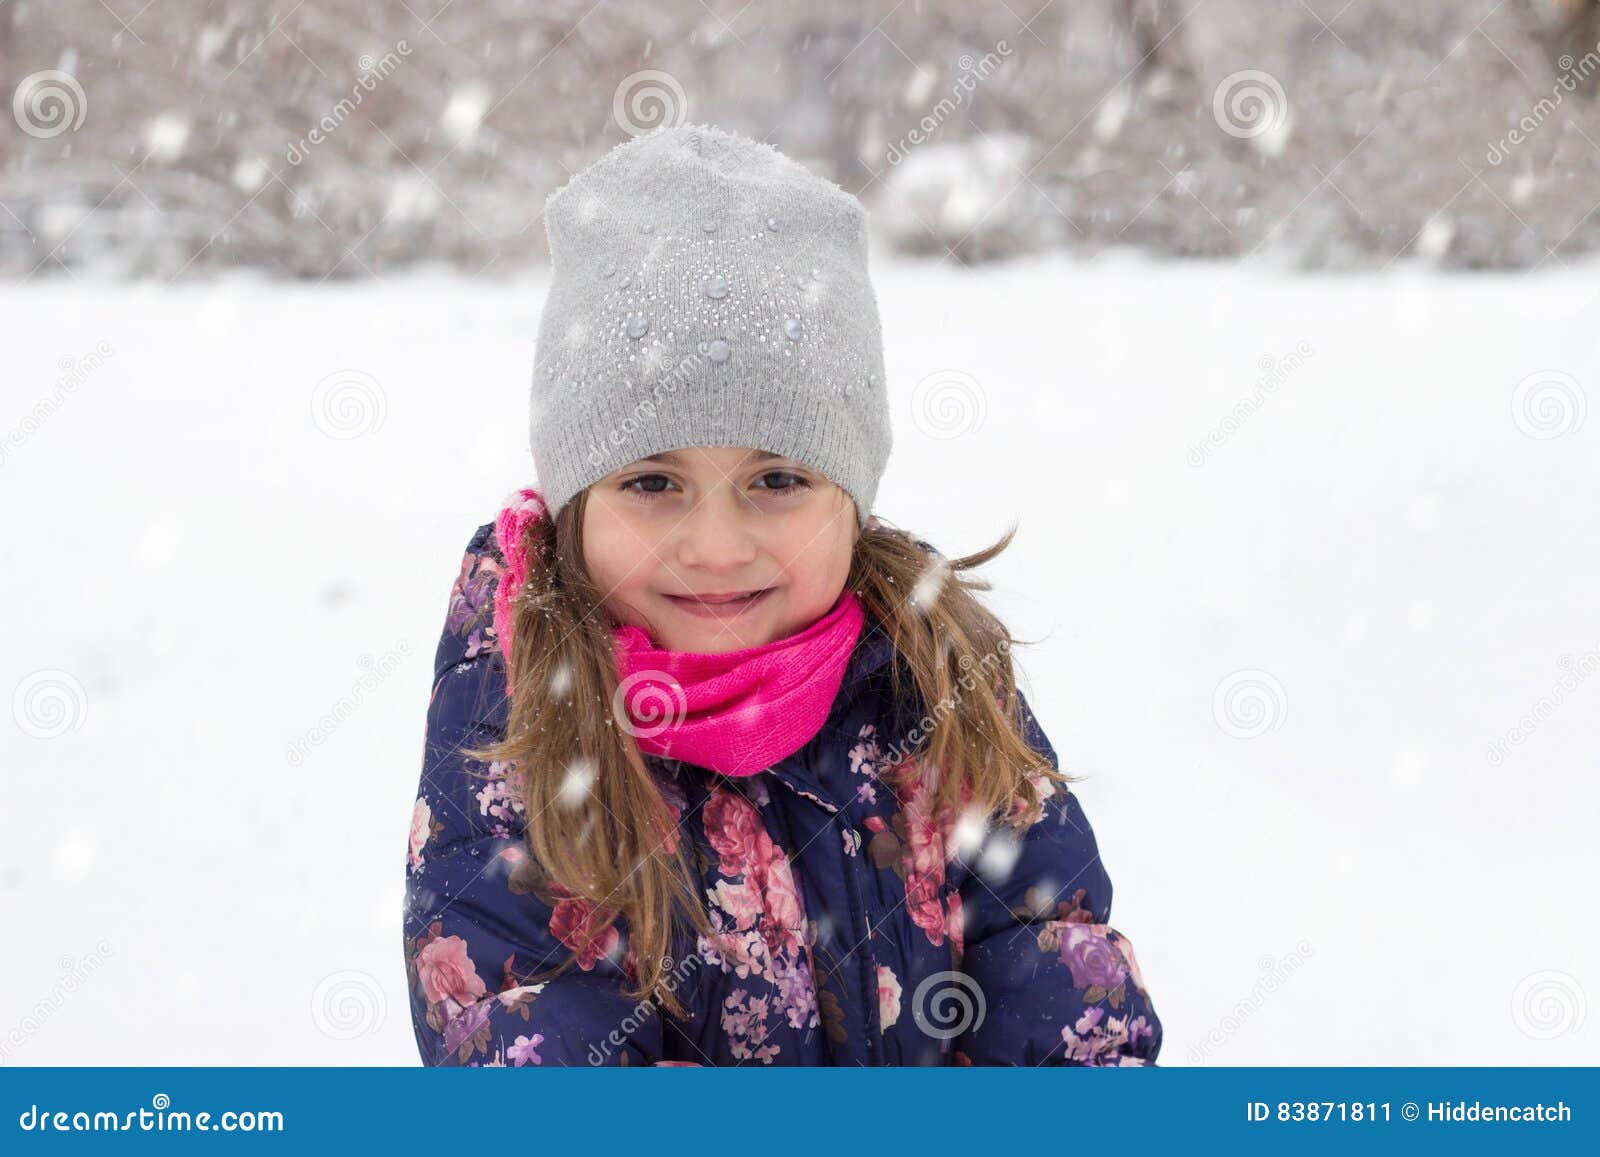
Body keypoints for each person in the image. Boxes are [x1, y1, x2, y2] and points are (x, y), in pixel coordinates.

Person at [403, 124, 1161, 1066]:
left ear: (853, 498)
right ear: (574, 507)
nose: (717, 547)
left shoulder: (933, 681)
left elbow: (1055, 980)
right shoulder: (518, 721)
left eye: (777, 480)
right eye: (652, 483)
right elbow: (528, 1049)